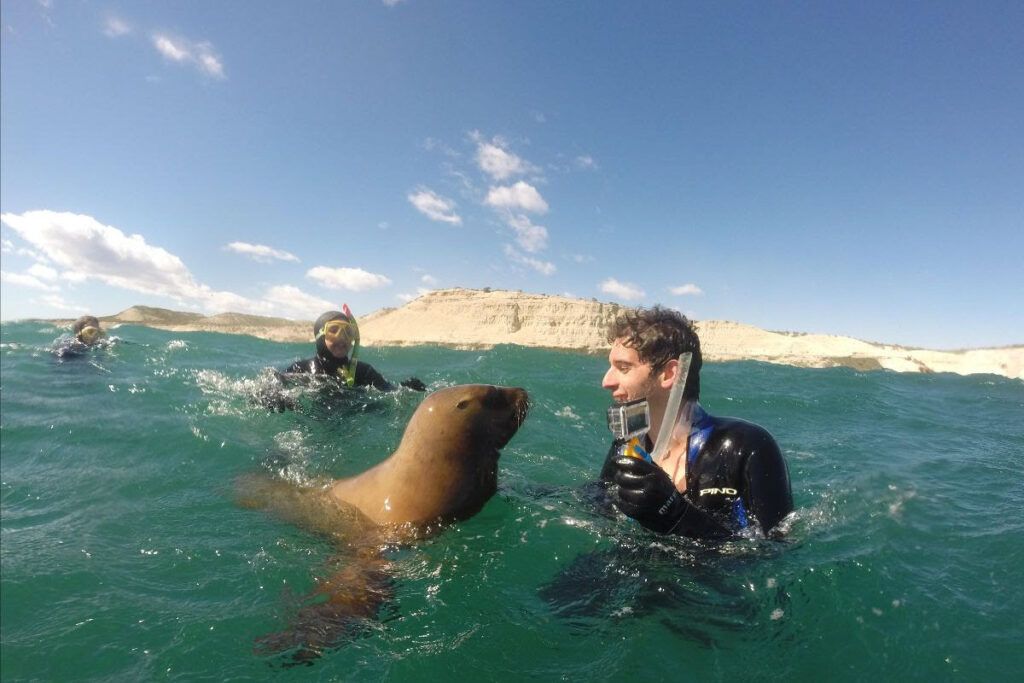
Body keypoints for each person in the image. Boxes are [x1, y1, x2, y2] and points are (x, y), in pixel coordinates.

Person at [598, 307, 792, 539]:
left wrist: (675, 514)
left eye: (623, 368)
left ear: (669, 374)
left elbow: (776, 549)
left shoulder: (745, 447)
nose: (606, 381)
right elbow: (596, 509)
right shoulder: (627, 445)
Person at [283, 309, 426, 392]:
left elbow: (390, 391)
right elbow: (275, 381)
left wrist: (406, 389)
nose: (342, 338)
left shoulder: (364, 372)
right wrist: (273, 393)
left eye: (348, 332)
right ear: (319, 336)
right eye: (334, 330)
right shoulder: (301, 369)